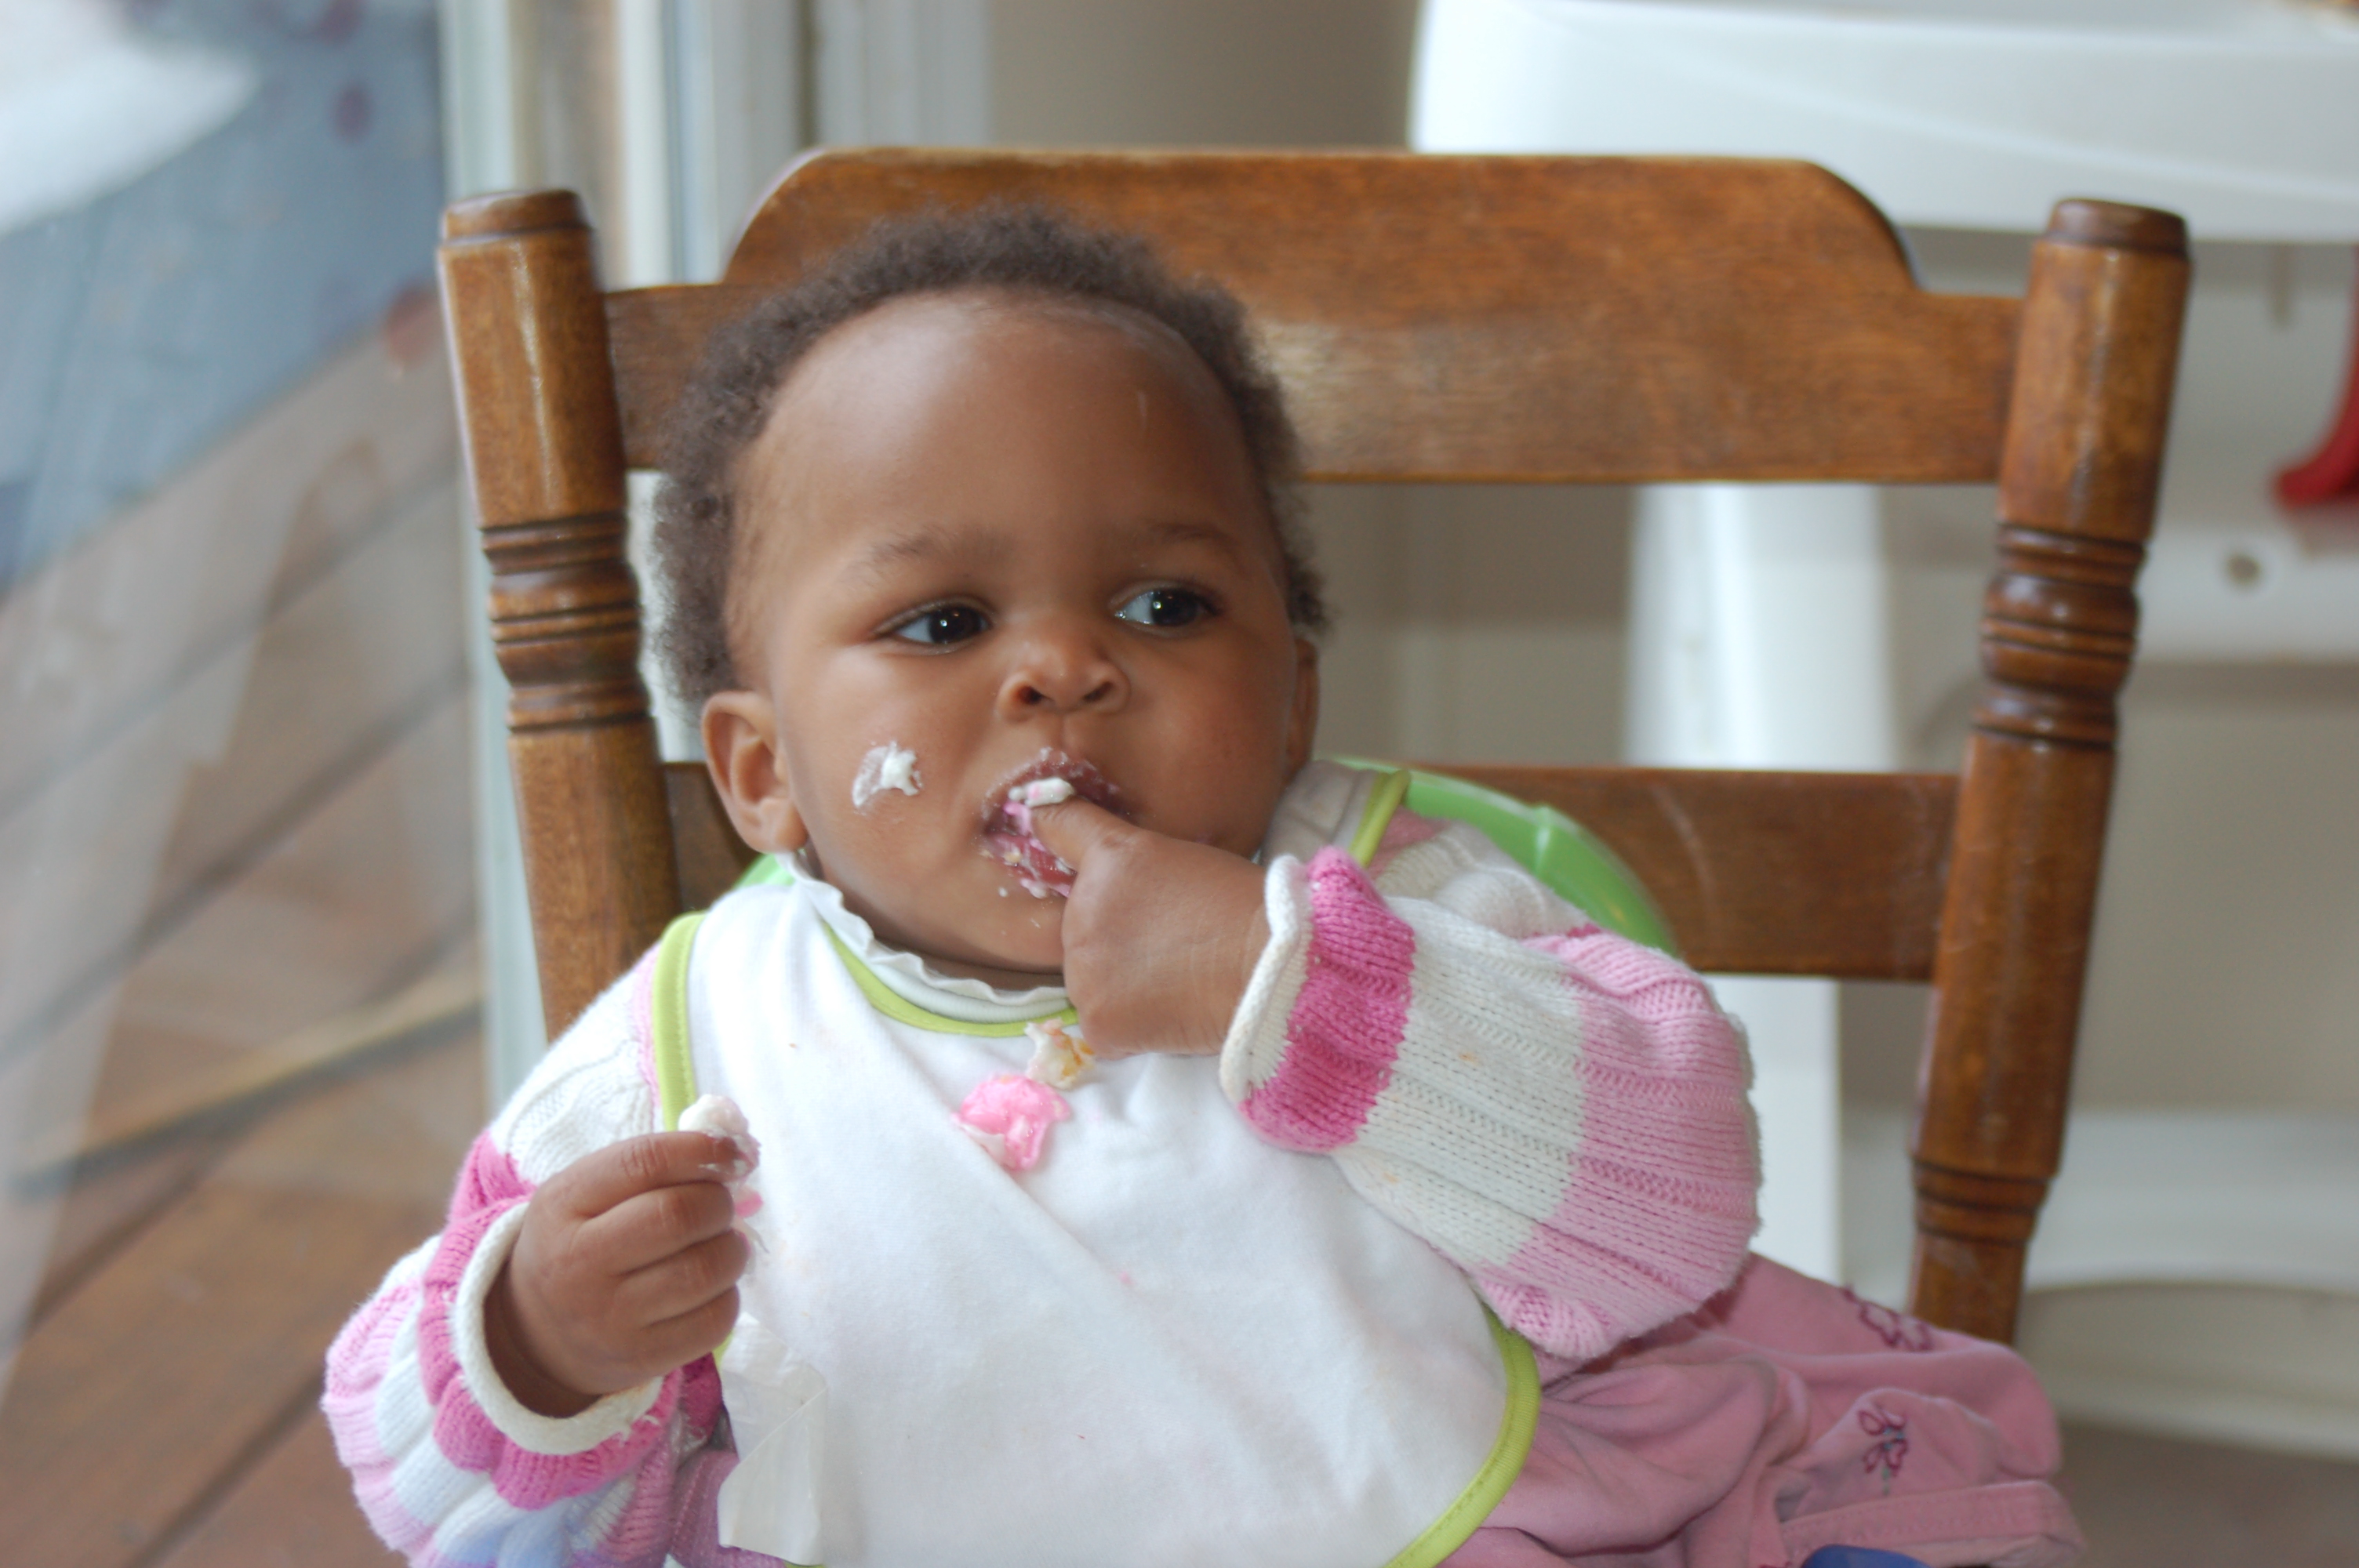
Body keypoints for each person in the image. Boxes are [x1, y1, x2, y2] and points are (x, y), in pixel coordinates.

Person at [325, 209, 2081, 1568]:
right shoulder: (699, 1043)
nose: (1061, 669)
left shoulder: (1406, 908)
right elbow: (430, 1484)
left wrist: (1292, 986)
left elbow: (1674, 1201)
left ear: (1294, 697)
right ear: (763, 770)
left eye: (1166, 605)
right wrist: (539, 1340)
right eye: (943, 621)